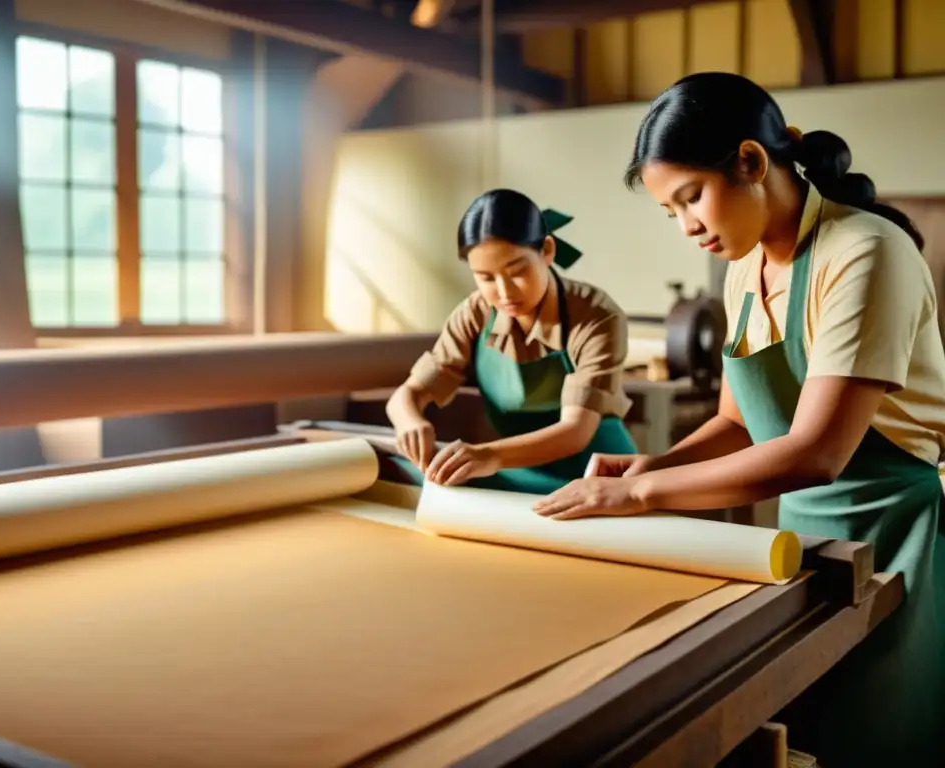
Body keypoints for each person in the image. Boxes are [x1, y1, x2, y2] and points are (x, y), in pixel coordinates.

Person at [533, 72, 945, 766]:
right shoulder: (744, 267)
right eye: (671, 212)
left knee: (882, 737)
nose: (688, 226)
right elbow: (738, 419)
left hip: (896, 543)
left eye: (691, 198)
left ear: (751, 162)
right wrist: (653, 466)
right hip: (805, 545)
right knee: (809, 731)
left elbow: (816, 453)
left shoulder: (864, 253)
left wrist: (633, 495)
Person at [385, 188, 638, 495]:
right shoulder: (474, 314)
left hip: (598, 475)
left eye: (517, 272)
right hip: (516, 470)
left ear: (546, 250)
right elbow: (407, 394)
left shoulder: (596, 315)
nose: (504, 293)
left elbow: (575, 432)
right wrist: (411, 422)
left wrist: (488, 455)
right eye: (486, 278)